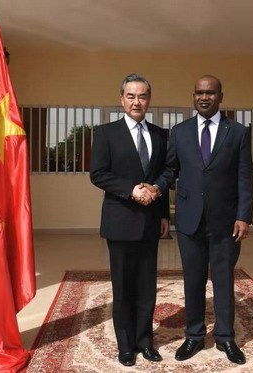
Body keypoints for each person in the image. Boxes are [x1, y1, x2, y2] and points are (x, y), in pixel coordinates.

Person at [147, 75, 253, 365]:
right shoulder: (179, 132)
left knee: (223, 281)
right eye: (199, 92)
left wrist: (244, 215)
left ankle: (225, 337)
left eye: (210, 92)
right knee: (192, 281)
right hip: (190, 220)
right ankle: (194, 336)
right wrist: (156, 187)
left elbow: (245, 177)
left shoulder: (238, 133)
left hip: (225, 222)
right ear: (193, 96)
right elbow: (171, 170)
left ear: (220, 96)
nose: (204, 97)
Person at [90, 73, 169, 366]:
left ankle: (145, 342)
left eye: (143, 96)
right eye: (131, 96)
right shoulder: (106, 133)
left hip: (151, 222)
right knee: (123, 286)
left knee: (147, 286)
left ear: (149, 99)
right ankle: (126, 345)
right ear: (121, 99)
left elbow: (165, 175)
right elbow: (97, 174)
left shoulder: (161, 135)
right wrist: (130, 190)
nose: (137, 102)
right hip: (120, 221)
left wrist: (163, 214)